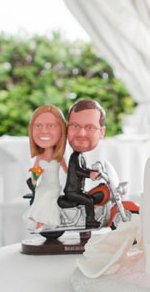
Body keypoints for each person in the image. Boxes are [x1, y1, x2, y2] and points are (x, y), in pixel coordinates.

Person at [58, 98, 107, 228]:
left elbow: (81, 169)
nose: (81, 133)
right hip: (72, 191)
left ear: (101, 132)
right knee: (89, 200)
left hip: (77, 190)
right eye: (75, 126)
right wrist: (90, 174)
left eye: (89, 127)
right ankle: (90, 220)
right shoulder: (75, 156)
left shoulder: (80, 155)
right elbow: (78, 170)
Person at [23, 105, 67, 235]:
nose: (44, 131)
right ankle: (38, 220)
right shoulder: (39, 157)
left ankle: (41, 220)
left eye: (51, 126)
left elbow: (67, 171)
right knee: (41, 193)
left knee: (48, 194)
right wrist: (34, 180)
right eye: (38, 126)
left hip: (54, 185)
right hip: (44, 184)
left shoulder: (59, 157)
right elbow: (35, 172)